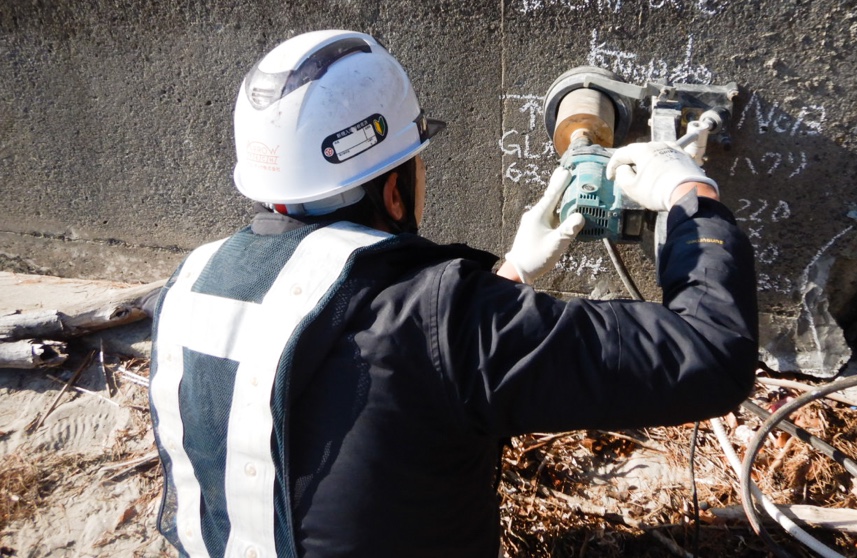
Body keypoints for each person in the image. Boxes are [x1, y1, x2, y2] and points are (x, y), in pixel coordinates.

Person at [149, 29, 759, 558]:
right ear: (393, 192)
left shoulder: (190, 286)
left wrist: (512, 273)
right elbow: (710, 353)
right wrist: (691, 197)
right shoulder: (445, 316)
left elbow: (369, 365)